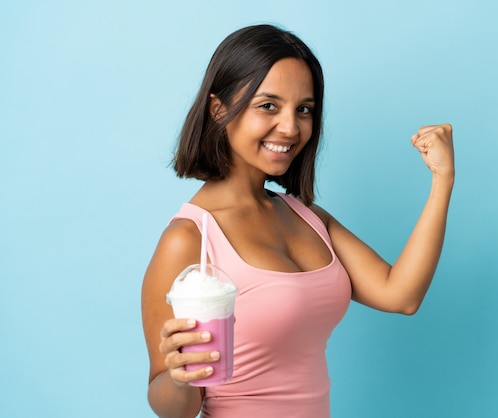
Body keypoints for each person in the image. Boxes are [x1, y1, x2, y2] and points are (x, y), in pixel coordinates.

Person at [141, 24, 454, 418]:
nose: (290, 127)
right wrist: (179, 376)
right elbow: (174, 408)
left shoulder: (306, 217)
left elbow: (401, 295)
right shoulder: (189, 239)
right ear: (219, 109)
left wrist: (442, 181)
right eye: (268, 105)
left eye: (303, 109)